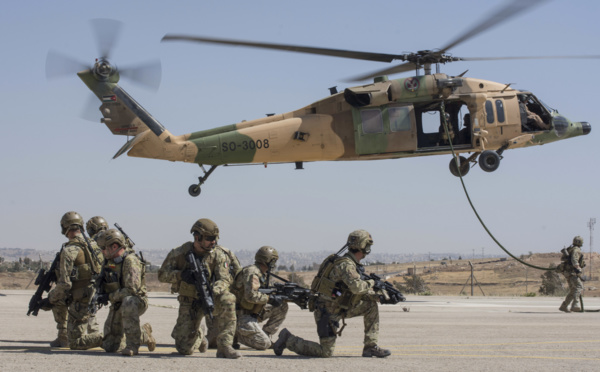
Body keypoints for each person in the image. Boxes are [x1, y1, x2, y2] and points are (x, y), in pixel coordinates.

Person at [273, 230, 391, 358]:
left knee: (370, 306)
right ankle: (288, 339)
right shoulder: (346, 265)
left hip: (339, 307)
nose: (368, 250)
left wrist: (377, 296)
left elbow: (353, 292)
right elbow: (357, 288)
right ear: (361, 246)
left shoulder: (347, 263)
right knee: (325, 352)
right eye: (367, 246)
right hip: (327, 312)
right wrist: (373, 283)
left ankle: (370, 347)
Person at [158, 218, 240, 358]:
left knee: (229, 298)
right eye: (209, 238)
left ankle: (225, 346)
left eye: (215, 238)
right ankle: (199, 334)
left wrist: (214, 290)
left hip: (211, 298)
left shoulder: (218, 254)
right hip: (189, 302)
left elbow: (225, 279)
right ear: (197, 237)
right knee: (184, 349)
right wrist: (181, 275)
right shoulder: (179, 253)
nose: (213, 241)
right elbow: (161, 275)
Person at [47, 211, 104, 350]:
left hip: (79, 298)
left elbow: (65, 284)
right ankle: (64, 336)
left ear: (65, 227)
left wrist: (50, 299)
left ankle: (116, 336)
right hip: (95, 293)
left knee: (75, 342)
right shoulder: (94, 245)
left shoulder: (70, 249)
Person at [98, 229, 156, 356]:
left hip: (135, 302)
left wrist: (110, 296)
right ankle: (144, 334)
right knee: (110, 346)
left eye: (104, 247)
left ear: (114, 246)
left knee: (129, 301)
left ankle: (133, 345)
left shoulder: (130, 260)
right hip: (118, 302)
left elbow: (132, 290)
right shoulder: (109, 262)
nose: (102, 251)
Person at [231, 246, 289, 350]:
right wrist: (270, 299)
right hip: (240, 316)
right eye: (273, 261)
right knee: (264, 344)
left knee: (282, 306)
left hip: (252, 312)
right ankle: (233, 334)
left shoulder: (263, 274)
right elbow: (250, 296)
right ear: (267, 260)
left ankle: (265, 334)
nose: (274, 264)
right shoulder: (252, 272)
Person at [205, 245, 242, 349]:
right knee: (213, 337)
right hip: (209, 293)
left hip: (223, 292)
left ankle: (226, 341)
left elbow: (238, 272)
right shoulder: (200, 251)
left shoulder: (226, 253)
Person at [559, 236, 586, 313]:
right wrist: (578, 268)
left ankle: (564, 306)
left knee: (573, 290)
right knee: (579, 286)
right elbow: (574, 260)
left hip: (567, 272)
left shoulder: (570, 249)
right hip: (572, 272)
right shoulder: (576, 250)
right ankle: (575, 304)